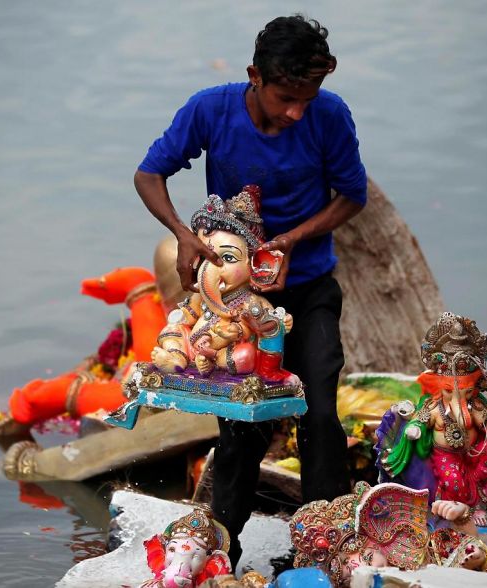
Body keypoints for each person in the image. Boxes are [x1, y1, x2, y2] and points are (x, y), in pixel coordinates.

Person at [134, 14, 367, 567]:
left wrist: (290, 240)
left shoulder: (329, 116)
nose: (297, 111)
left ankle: (323, 547)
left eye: (308, 97)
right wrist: (184, 235)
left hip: (307, 288)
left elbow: (352, 194)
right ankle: (222, 549)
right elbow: (150, 173)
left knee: (319, 411)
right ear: (254, 77)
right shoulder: (210, 110)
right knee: (240, 422)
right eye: (286, 96)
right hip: (236, 304)